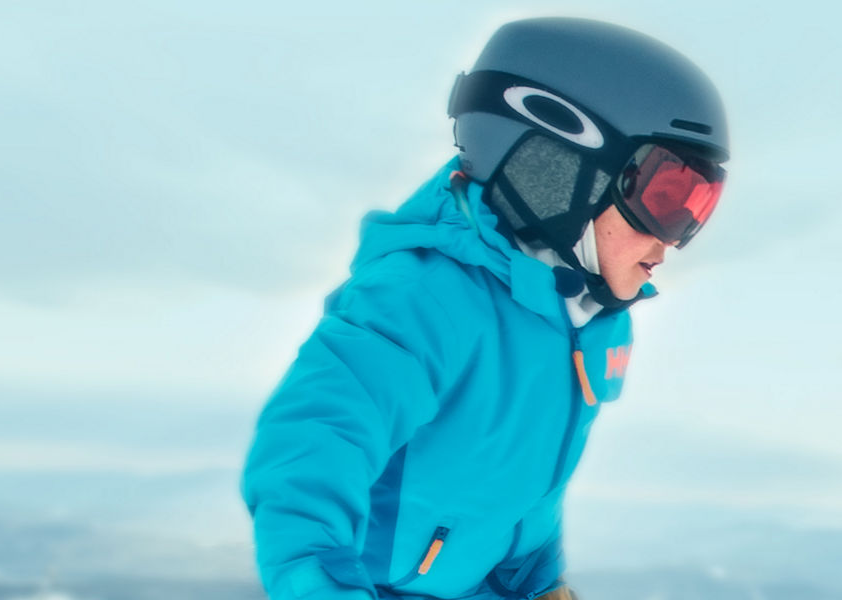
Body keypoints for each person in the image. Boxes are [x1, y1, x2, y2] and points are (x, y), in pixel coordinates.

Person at [239, 17, 729, 600]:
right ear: (558, 168)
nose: (672, 239)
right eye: (665, 198)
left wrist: (537, 582)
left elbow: (525, 490)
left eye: (699, 208)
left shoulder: (594, 322)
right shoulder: (421, 300)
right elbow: (308, 456)